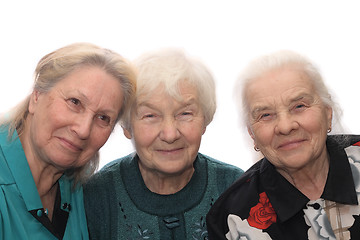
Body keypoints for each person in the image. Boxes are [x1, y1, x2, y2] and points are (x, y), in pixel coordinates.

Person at [84, 48, 244, 239]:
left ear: (205, 119)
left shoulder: (235, 188)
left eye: (185, 113)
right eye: (150, 115)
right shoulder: (97, 196)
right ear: (127, 127)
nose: (170, 134)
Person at [206, 50, 360, 239]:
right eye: (266, 115)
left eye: (299, 106)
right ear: (252, 134)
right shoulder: (231, 219)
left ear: (328, 113)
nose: (286, 127)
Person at [0, 42, 136, 240]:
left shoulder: (84, 189)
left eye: (103, 118)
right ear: (36, 95)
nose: (83, 130)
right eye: (75, 102)